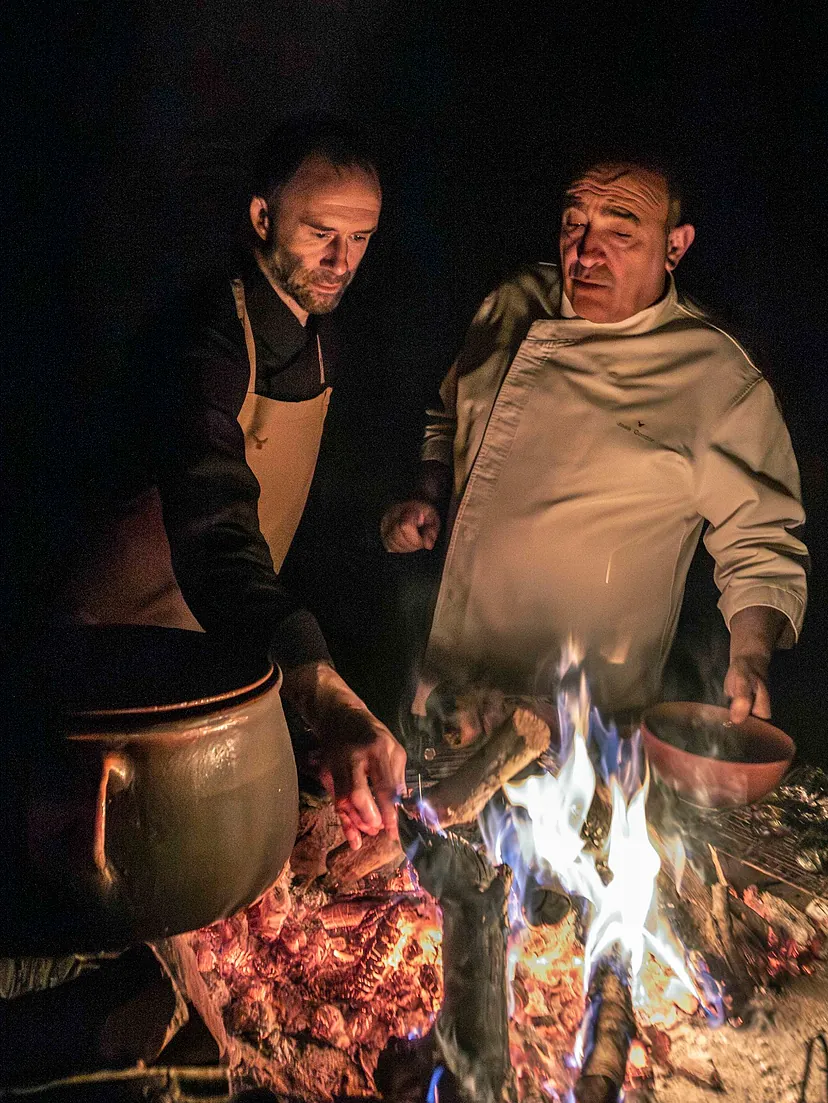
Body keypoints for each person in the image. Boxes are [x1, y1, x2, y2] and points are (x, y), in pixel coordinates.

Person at [65, 119, 406, 851]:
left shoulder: (320, 335)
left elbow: (289, 510)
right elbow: (217, 524)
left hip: (217, 662)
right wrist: (321, 689)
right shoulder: (203, 338)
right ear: (261, 217)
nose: (341, 261)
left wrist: (384, 519)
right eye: (321, 233)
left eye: (360, 238)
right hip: (103, 677)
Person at [381, 159, 808, 726]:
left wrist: (749, 658)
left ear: (674, 246)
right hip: (446, 683)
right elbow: (447, 414)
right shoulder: (512, 301)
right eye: (574, 224)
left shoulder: (719, 377)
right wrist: (428, 492)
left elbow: (762, 542)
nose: (585, 254)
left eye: (620, 232)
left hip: (586, 720)